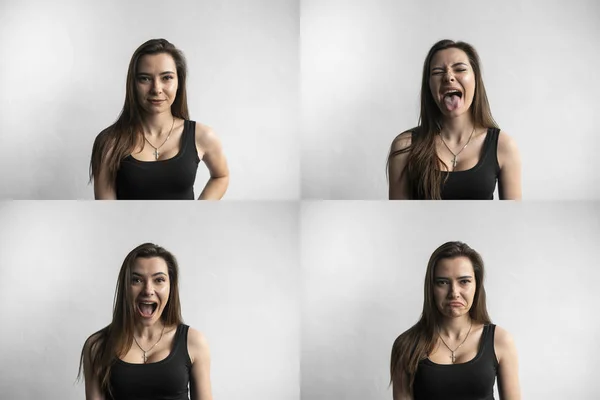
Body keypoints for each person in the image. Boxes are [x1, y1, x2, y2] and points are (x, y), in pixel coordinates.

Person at [90, 39, 229, 200]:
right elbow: (106, 213)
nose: (156, 89)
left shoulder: (202, 135)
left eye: (167, 78)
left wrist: (197, 213)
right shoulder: (109, 142)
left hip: (185, 226)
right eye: (145, 78)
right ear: (133, 84)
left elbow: (221, 176)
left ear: (179, 82)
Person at [387, 40, 521, 200]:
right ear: (429, 85)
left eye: (460, 69)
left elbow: (512, 220)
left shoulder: (503, 146)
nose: (448, 77)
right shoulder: (405, 146)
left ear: (476, 79)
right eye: (437, 72)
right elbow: (398, 220)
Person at [78, 243, 213, 400]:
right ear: (125, 287)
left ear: (171, 286)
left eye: (159, 280)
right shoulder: (97, 346)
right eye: (136, 280)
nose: (148, 290)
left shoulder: (194, 341)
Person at [390, 241, 521, 400]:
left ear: (477, 285)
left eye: (464, 281)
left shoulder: (500, 340)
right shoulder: (406, 345)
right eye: (443, 282)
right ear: (431, 288)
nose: (454, 293)